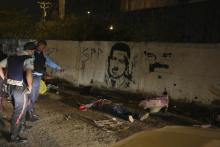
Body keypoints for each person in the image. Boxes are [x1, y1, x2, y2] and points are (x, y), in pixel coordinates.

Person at [0, 42, 35, 143]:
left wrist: (4, 79)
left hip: (10, 87)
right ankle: (14, 136)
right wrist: (30, 86)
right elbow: (29, 72)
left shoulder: (11, 57)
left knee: (19, 108)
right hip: (20, 88)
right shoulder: (28, 58)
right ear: (31, 50)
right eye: (33, 51)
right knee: (19, 111)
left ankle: (22, 126)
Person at [27, 40, 63, 121]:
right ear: (37, 45)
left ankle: (30, 110)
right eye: (40, 46)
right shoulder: (32, 53)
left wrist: (58, 68)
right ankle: (29, 112)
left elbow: (49, 62)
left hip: (38, 77)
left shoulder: (43, 55)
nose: (41, 48)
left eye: (43, 47)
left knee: (35, 95)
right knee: (32, 95)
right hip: (32, 76)